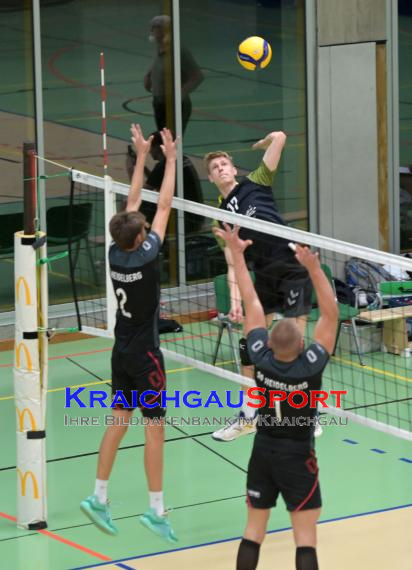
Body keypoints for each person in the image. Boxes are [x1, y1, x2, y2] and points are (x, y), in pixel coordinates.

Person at [213, 224, 338, 570]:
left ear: (267, 344)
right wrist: (313, 268)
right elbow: (331, 316)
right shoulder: (310, 367)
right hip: (298, 456)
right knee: (305, 539)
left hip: (263, 453)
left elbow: (252, 303)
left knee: (253, 531)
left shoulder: (261, 361)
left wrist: (237, 255)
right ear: (301, 345)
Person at [80, 124, 179, 543]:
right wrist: (169, 159)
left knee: (119, 420)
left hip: (121, 352)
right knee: (154, 429)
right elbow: (163, 205)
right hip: (146, 358)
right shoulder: (147, 252)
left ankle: (98, 497)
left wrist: (141, 157)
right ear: (139, 237)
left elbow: (134, 203)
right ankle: (156, 510)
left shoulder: (116, 251)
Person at [204, 131, 313, 441]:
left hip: (292, 266)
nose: (222, 169)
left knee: (293, 343)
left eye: (225, 164)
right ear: (211, 179)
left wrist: (264, 143)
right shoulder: (219, 218)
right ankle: (249, 415)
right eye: (216, 168)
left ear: (235, 170)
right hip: (264, 275)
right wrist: (235, 299)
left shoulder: (257, 181)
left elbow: (280, 137)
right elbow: (231, 261)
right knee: (249, 344)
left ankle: (305, 413)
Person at [127, 131, 204, 234]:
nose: (149, 151)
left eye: (151, 148)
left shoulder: (161, 166)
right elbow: (156, 179)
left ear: (158, 147)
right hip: (196, 215)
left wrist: (132, 169)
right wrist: (143, 167)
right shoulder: (182, 159)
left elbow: (141, 193)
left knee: (143, 205)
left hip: (184, 218)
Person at [144, 15, 204, 133]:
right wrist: (148, 75)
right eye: (154, 29)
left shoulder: (179, 51)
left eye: (158, 29)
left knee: (169, 142)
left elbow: (197, 76)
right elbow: (159, 64)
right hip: (159, 103)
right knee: (163, 140)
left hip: (174, 104)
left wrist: (180, 93)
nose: (155, 32)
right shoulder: (160, 49)